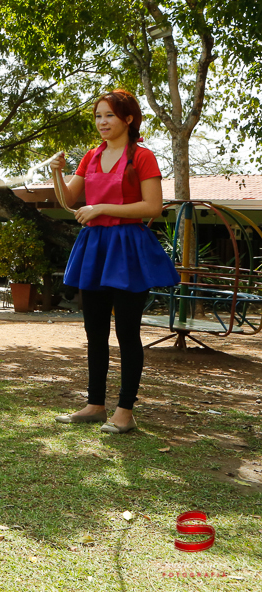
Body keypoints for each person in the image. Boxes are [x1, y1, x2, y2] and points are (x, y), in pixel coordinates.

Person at [51, 90, 178, 435]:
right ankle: (95, 405)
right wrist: (56, 174)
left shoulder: (143, 157)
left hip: (128, 248)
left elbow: (152, 207)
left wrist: (103, 208)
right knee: (95, 332)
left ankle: (125, 411)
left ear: (128, 119)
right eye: (98, 116)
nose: (102, 123)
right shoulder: (91, 157)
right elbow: (69, 200)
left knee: (127, 332)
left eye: (109, 115)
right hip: (94, 246)